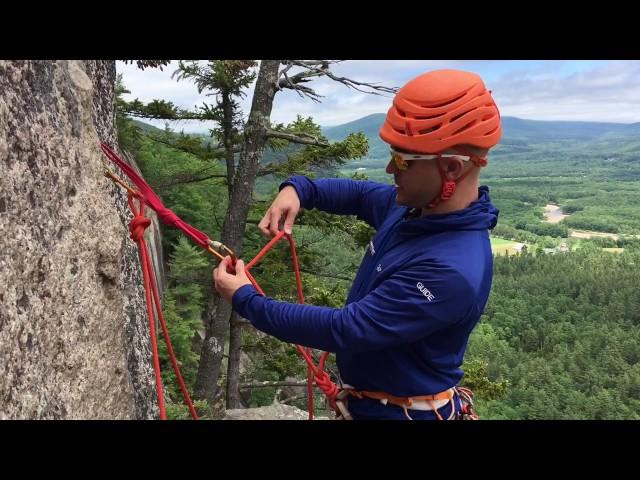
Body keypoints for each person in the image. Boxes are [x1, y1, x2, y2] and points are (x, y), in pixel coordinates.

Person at [213, 69, 501, 420]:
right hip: (373, 404)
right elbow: (361, 195)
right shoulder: (415, 209)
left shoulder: (451, 270)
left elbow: (345, 329)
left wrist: (247, 300)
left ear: (453, 168)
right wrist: (300, 189)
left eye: (402, 160)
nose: (390, 169)